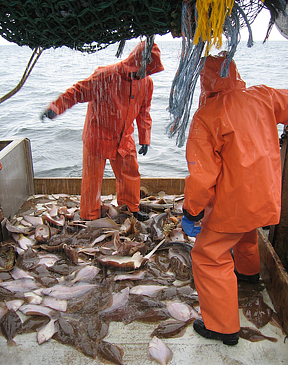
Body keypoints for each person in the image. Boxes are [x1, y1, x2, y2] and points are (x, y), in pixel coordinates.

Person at [181, 52, 288, 345]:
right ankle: (250, 275)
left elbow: (201, 177)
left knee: (208, 256)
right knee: (246, 233)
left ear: (203, 81)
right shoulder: (263, 96)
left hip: (232, 206)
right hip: (264, 199)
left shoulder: (206, 116)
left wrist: (191, 212)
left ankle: (223, 328)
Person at [41, 41, 164, 221]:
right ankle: (89, 217)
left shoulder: (147, 83)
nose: (145, 74)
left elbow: (144, 111)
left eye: (149, 71)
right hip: (97, 136)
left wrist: (145, 138)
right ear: (136, 61)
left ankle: (130, 209)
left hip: (124, 138)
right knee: (92, 179)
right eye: (144, 69)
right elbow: (78, 91)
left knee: (130, 173)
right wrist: (56, 107)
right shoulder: (107, 74)